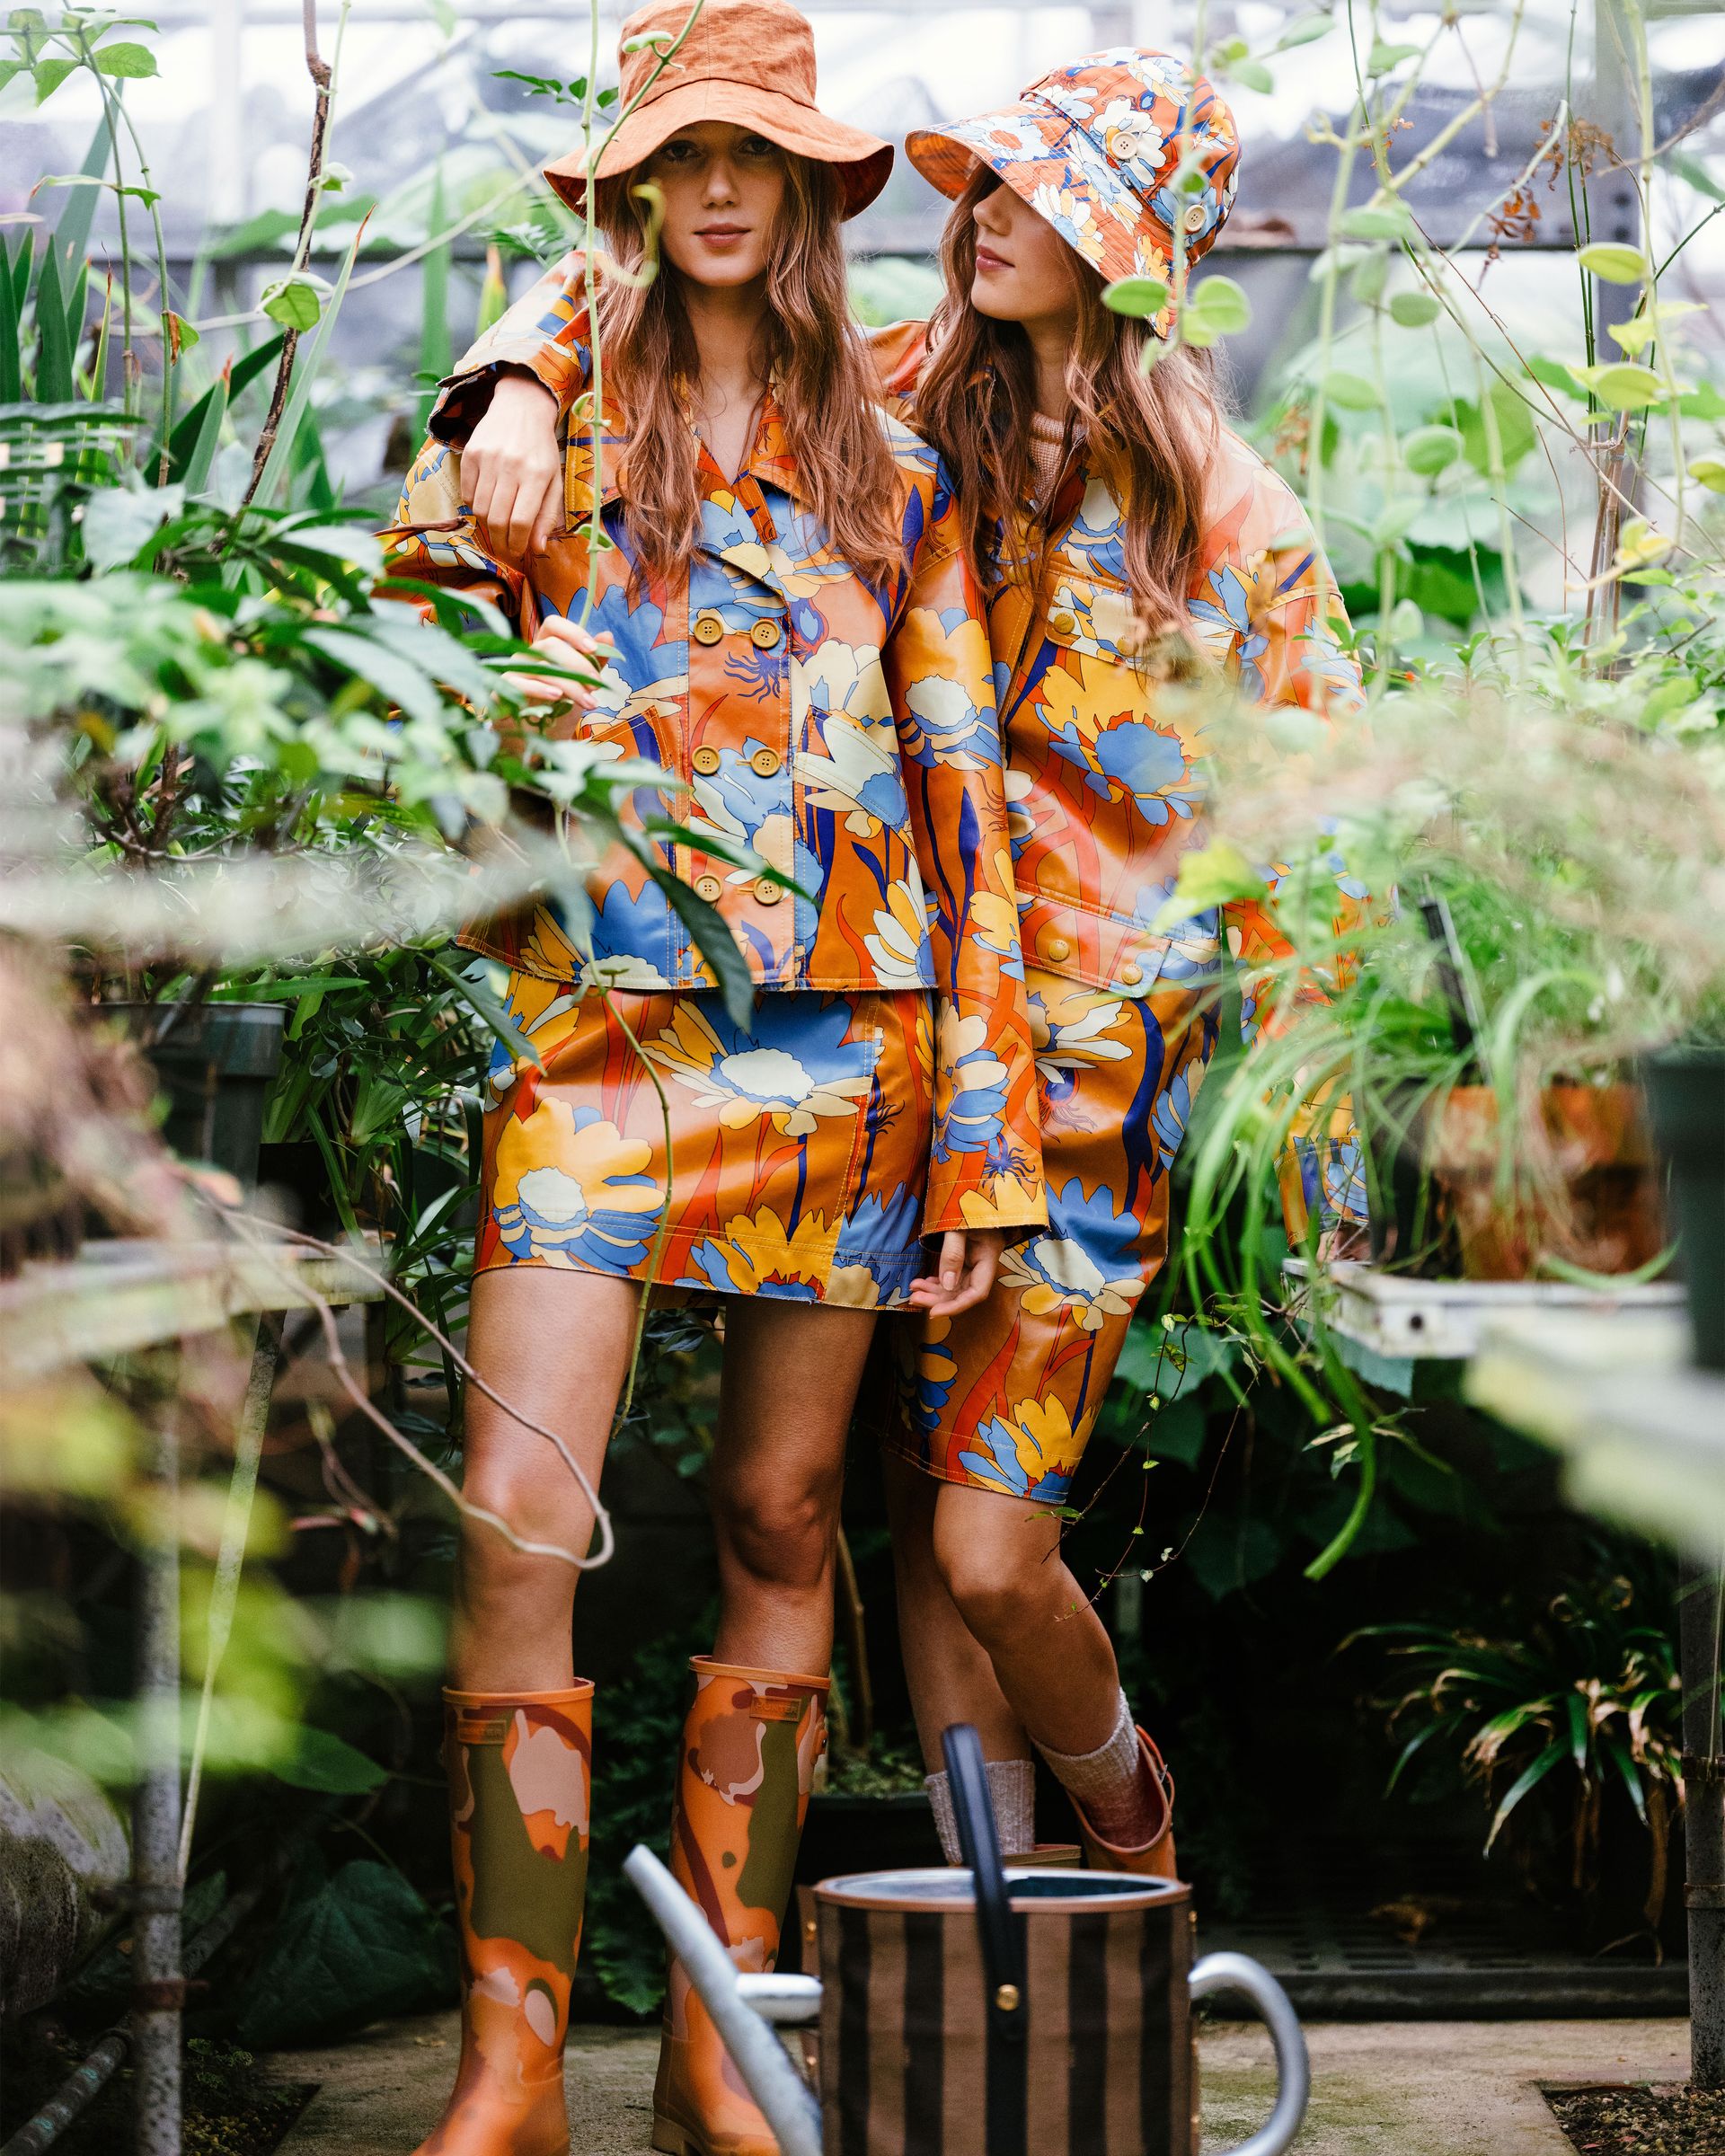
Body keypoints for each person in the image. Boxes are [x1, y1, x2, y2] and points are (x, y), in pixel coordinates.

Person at [438, 43, 1365, 1900]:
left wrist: (1323, 1157)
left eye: (1044, 204)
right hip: (885, 1054)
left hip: (1086, 1103)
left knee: (982, 1548)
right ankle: (997, 1958)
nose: (991, 223)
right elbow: (685, 288)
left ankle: (1122, 1838)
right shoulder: (902, 405)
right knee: (869, 1533)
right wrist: (516, 370)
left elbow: (1323, 847)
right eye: (989, 190)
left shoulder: (1236, 525)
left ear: (1135, 256)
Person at [382, 4, 1043, 2152]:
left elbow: (967, 799)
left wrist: (986, 1135)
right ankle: (510, 2057)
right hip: (607, 1042)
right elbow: (398, 643)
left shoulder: (900, 453)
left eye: (766, 151)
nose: (728, 187)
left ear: (823, 189)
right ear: (636, 192)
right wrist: (501, 374)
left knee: (778, 1515)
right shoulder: (537, 431)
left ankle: (712, 2047)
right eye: (686, 155)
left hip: (854, 1051)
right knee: (524, 1519)